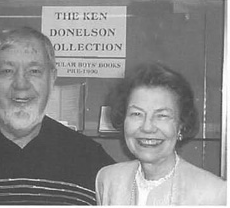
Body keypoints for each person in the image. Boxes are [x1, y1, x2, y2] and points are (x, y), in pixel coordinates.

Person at [0, 27, 115, 205]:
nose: (21, 85)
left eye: (34, 71)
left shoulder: (90, 159)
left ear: (52, 78)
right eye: (7, 71)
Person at [95, 62, 227, 205]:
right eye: (137, 114)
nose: (147, 127)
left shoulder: (214, 193)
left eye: (162, 116)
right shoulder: (108, 180)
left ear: (181, 125)